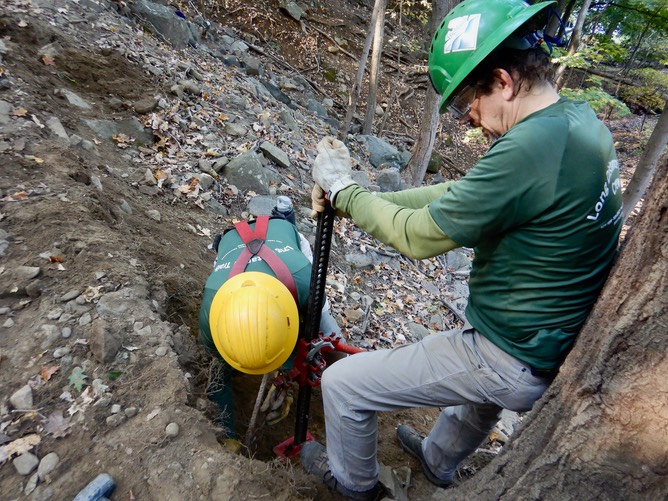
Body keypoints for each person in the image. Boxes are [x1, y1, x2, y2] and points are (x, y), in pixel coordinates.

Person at [299, 0, 623, 499]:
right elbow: (458, 195)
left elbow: (418, 237)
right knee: (478, 397)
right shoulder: (575, 123)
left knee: (344, 384)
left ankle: (354, 484)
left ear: (503, 81)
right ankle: (437, 461)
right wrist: (362, 201)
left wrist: (345, 191)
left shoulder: (530, 148)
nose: (468, 118)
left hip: (508, 353)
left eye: (468, 100)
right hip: (542, 345)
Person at [198, 196, 341, 438]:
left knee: (323, 332)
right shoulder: (211, 313)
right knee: (220, 366)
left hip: (284, 243)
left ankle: (343, 394)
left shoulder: (305, 280)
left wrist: (289, 374)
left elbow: (322, 337)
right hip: (231, 244)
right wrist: (226, 434)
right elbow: (217, 375)